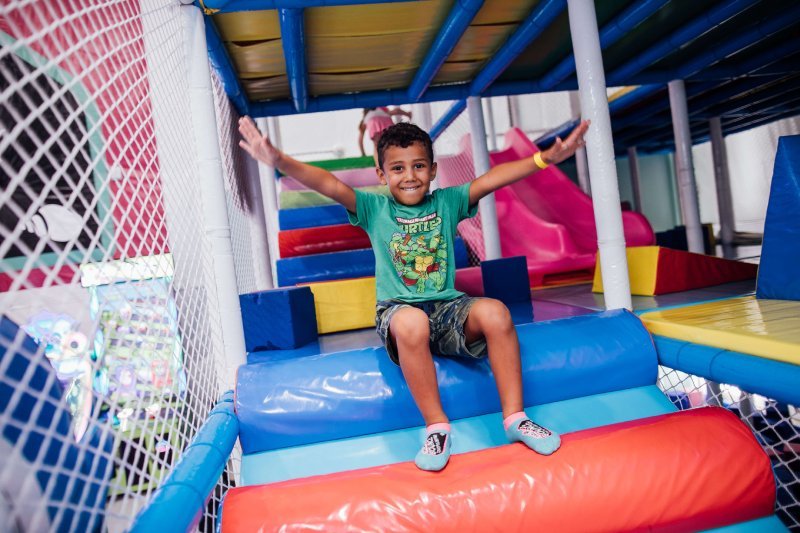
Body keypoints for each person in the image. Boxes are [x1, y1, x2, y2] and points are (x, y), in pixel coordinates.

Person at [239, 116, 590, 472]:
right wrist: (279, 160)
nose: (410, 176)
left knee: (496, 312)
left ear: (433, 169)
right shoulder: (374, 209)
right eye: (398, 168)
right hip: (399, 310)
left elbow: (490, 180)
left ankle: (514, 418)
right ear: (381, 175)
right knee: (412, 322)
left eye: (419, 166)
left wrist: (542, 159)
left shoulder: (447, 203)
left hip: (449, 309)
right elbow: (330, 184)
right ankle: (437, 426)